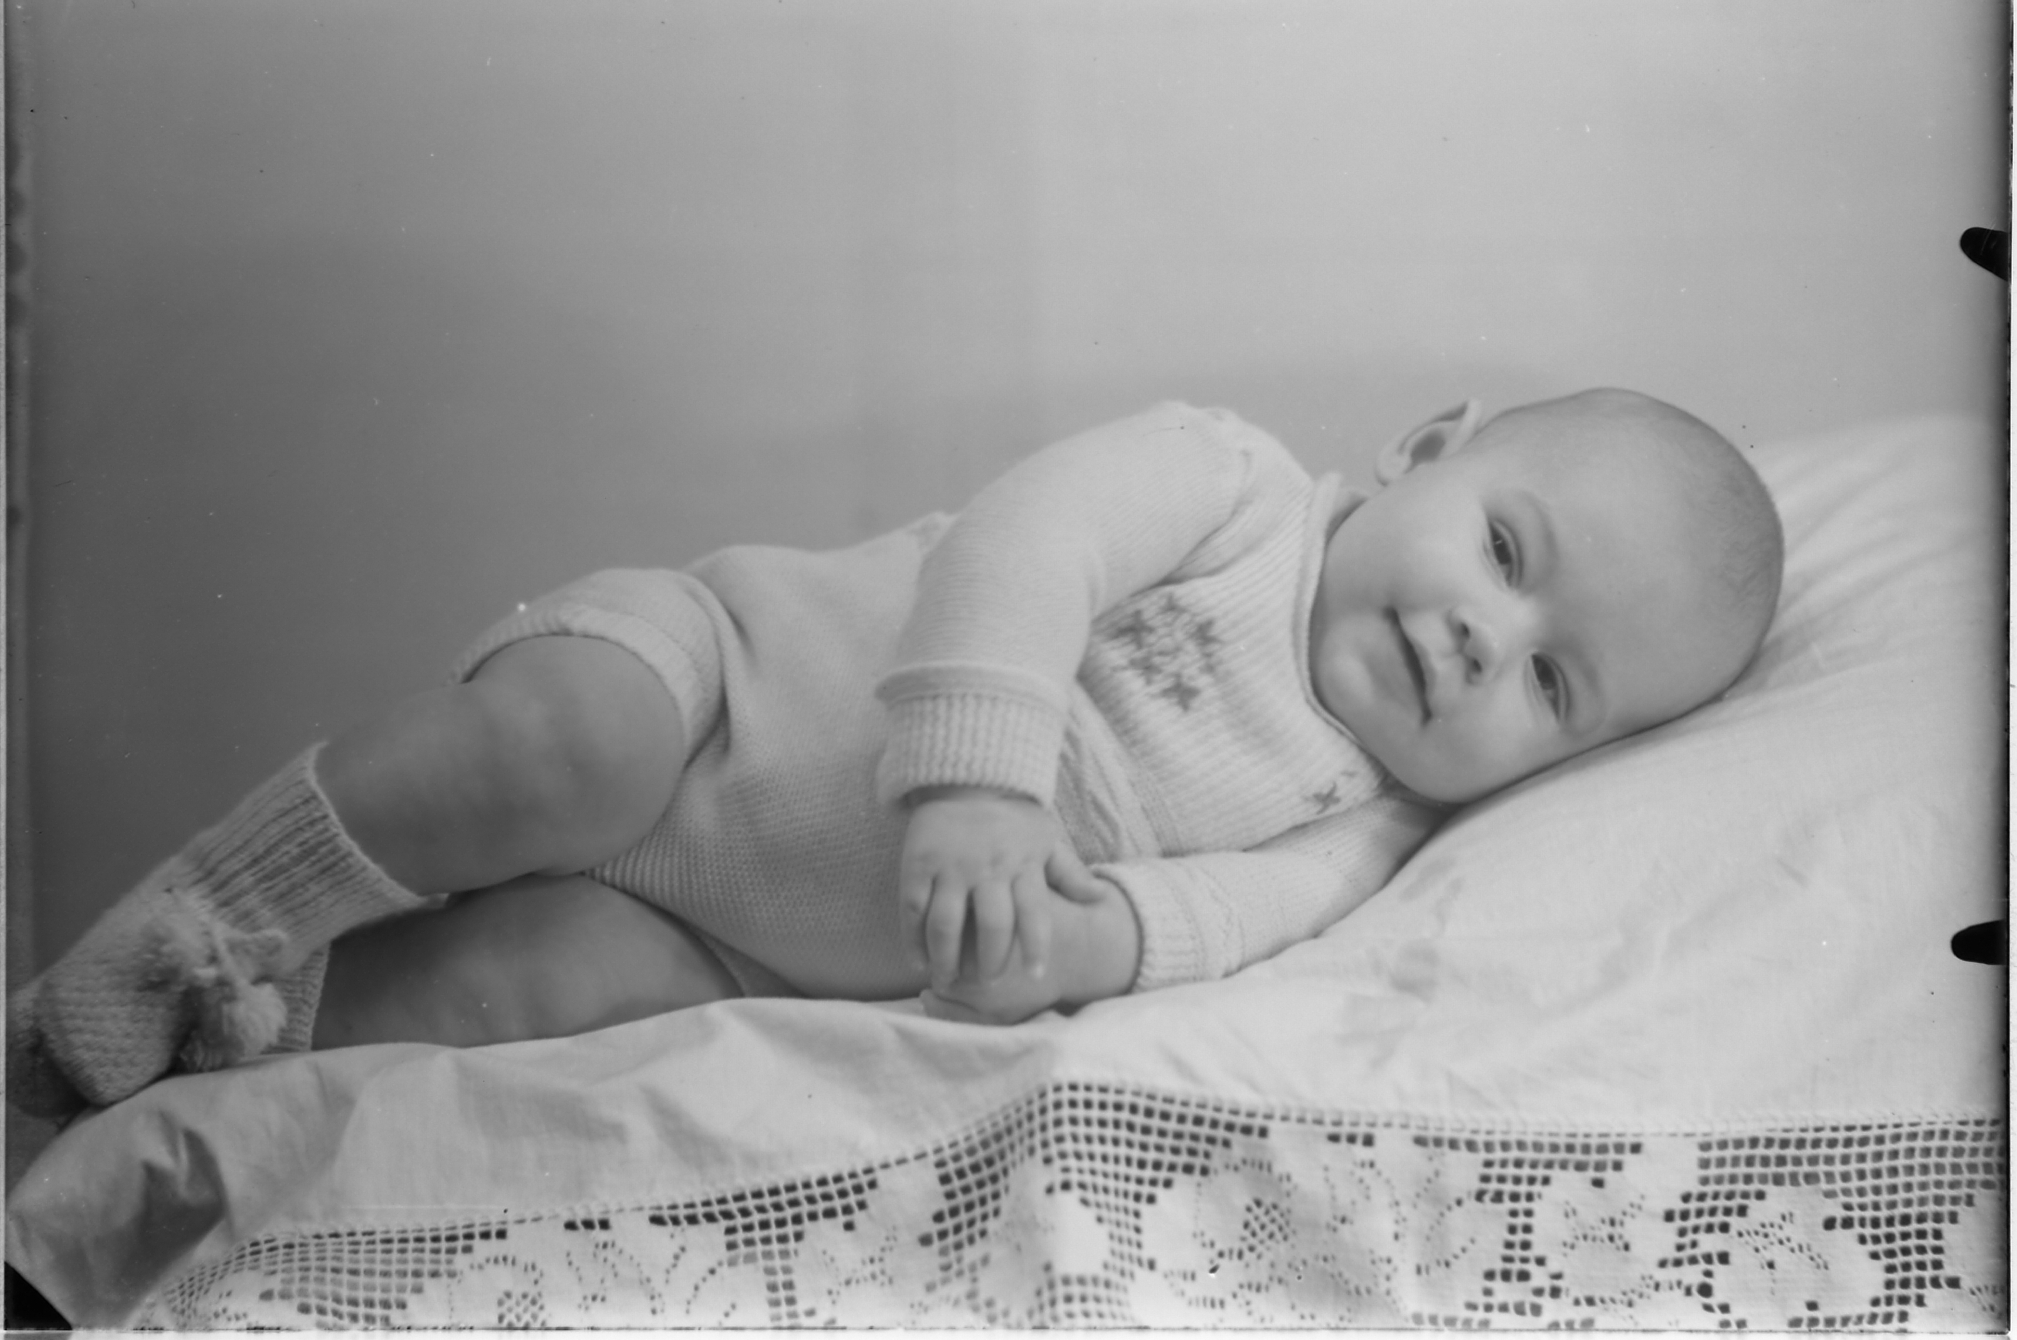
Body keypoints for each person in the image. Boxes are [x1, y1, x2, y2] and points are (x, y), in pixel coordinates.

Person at [7, 388, 1783, 1117]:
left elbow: (1220, 921)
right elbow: (1027, 542)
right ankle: (196, 926)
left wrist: (1085, 944)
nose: (1482, 640)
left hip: (731, 937)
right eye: (1506, 552)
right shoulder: (1238, 490)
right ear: (1429, 448)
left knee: (518, 998)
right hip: (713, 685)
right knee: (556, 753)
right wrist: (981, 783)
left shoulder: (1369, 818)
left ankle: (206, 1063)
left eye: (1554, 685)